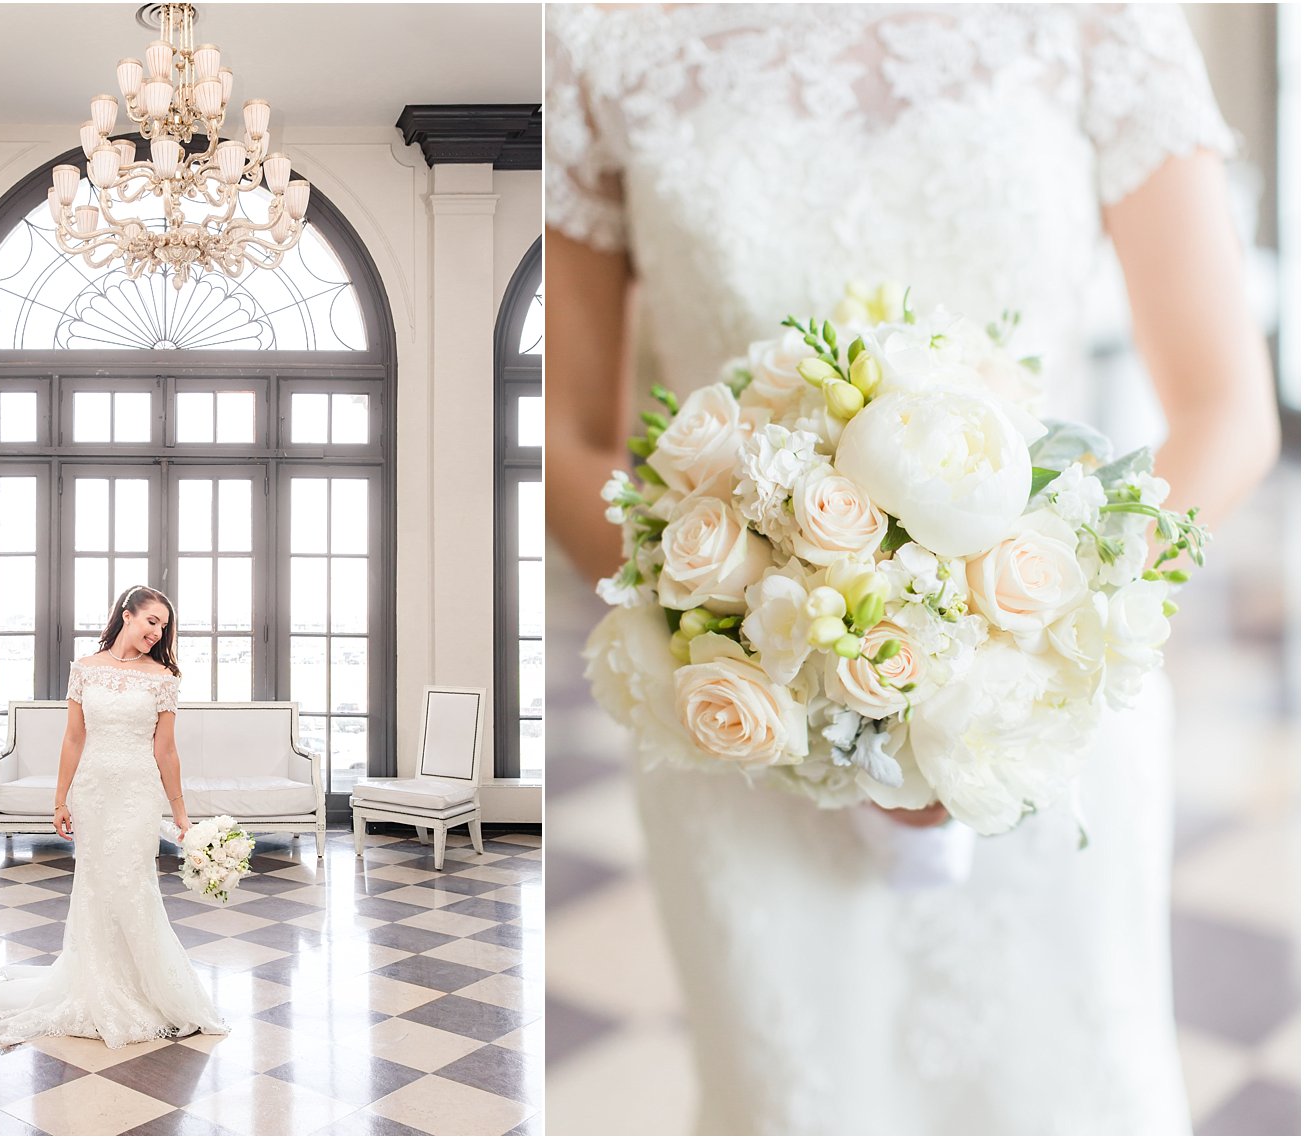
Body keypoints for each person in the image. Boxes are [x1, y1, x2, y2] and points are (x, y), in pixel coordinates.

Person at [546, 4, 1278, 1134]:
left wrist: (1009, 648)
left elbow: (1225, 408)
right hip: (740, 720)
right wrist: (756, 642)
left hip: (1040, 715)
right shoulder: (600, 38)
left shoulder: (1100, 19)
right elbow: (570, 445)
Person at [0, 584, 228, 1048]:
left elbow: (166, 749)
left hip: (136, 791)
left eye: (164, 627)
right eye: (152, 621)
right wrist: (60, 800)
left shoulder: (163, 678)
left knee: (132, 882)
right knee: (94, 884)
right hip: (93, 790)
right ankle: (95, 985)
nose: (157, 632)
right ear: (127, 615)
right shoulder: (84, 671)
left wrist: (180, 814)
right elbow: (73, 738)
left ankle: (152, 990)